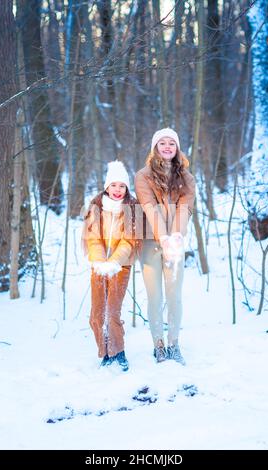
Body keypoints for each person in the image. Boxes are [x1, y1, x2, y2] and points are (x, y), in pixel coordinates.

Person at [135, 128, 196, 364]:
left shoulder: (187, 178)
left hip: (175, 243)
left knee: (174, 296)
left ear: (177, 147)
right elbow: (149, 207)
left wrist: (177, 238)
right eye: (163, 143)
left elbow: (184, 208)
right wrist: (164, 238)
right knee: (155, 297)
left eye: (172, 143)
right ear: (155, 147)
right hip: (151, 240)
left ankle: (174, 343)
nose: (168, 147)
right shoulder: (143, 175)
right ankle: (158, 344)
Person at [82, 161, 138, 371]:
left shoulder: (133, 209)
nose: (117, 189)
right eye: (113, 185)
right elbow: (93, 239)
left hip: (120, 267)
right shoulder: (96, 207)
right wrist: (99, 262)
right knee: (96, 314)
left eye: (121, 186)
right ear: (107, 186)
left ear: (126, 188)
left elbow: (129, 241)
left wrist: (114, 262)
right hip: (98, 267)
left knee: (112, 312)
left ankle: (118, 351)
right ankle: (105, 352)